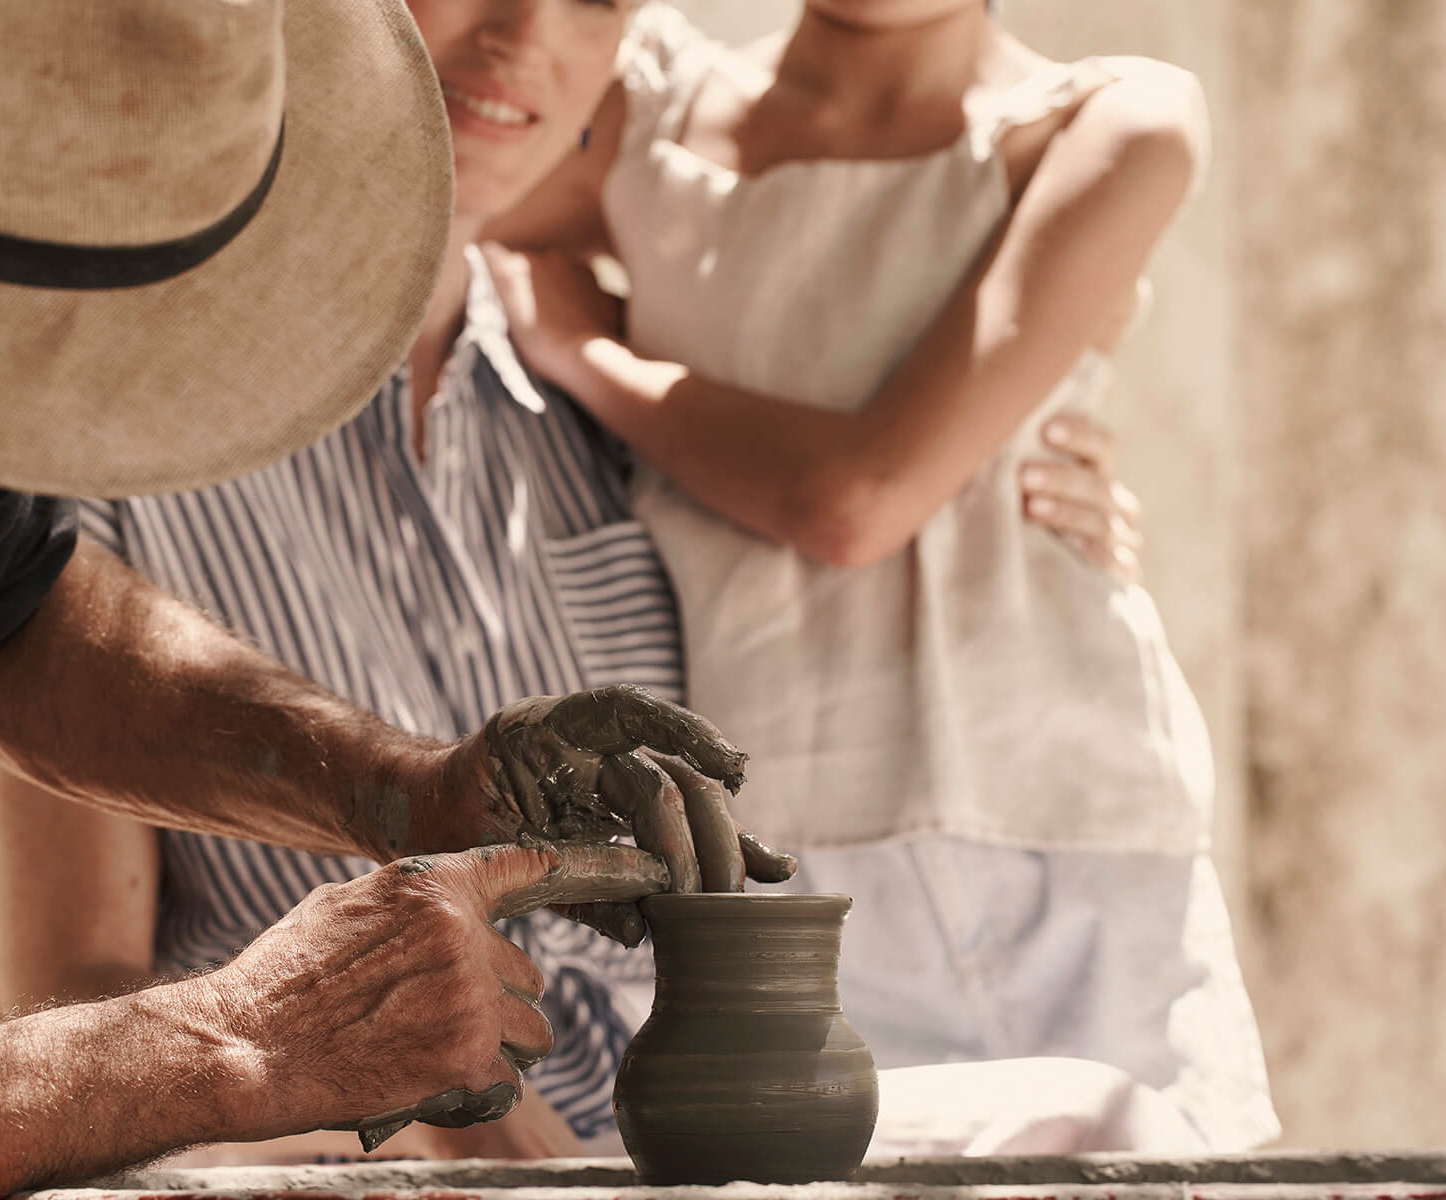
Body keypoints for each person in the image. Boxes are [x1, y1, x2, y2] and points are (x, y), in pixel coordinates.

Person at [0, 0, 1153, 1161]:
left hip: (667, 1142)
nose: (522, 33)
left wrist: (1033, 502)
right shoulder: (102, 440)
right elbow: (73, 995)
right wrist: (394, 1104)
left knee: (1119, 1131)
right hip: (322, 1156)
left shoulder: (622, 419)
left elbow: (852, 511)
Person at [0, 2, 766, 1197]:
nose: (17, 368)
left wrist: (411, 790)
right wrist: (245, 1040)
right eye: (3, 299)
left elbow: (6, 610)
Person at [481, 0, 1278, 1148]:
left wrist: (589, 355)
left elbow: (855, 503)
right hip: (780, 862)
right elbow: (416, 197)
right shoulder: (641, 113)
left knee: (1154, 1159)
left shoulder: (1110, 123)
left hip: (1072, 833)